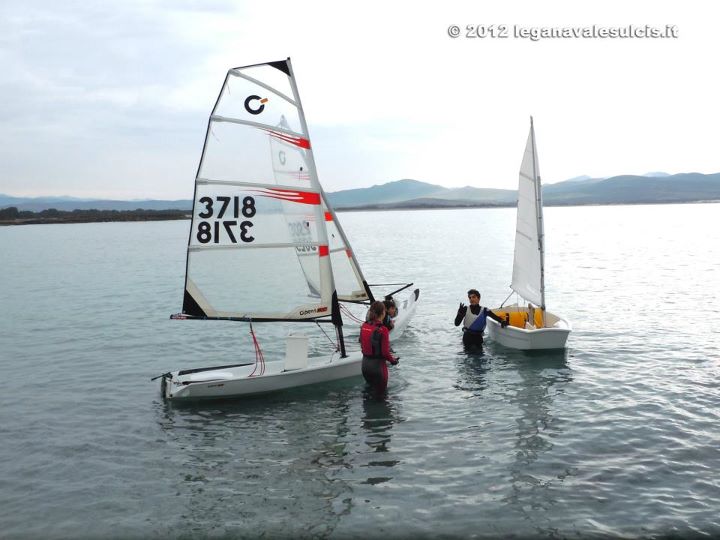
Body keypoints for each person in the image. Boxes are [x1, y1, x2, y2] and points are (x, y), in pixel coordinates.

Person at [360, 300, 399, 392]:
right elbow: (385, 353)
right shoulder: (383, 329)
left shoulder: (364, 325)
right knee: (381, 397)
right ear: (382, 313)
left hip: (365, 365)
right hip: (378, 367)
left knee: (368, 393)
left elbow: (362, 344)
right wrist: (393, 361)